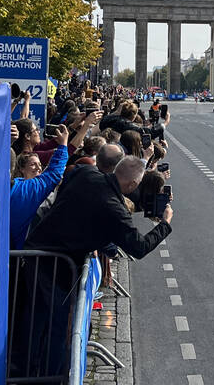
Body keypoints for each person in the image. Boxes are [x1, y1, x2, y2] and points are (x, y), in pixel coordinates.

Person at [23, 156, 173, 378]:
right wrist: (165, 224)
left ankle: (30, 370)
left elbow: (70, 190)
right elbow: (139, 247)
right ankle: (47, 378)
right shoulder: (113, 208)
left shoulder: (86, 173)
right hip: (56, 271)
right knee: (55, 333)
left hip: (35, 253)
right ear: (133, 185)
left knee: (32, 328)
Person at [10, 125, 69, 250]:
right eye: (33, 164)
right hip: (18, 254)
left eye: (40, 165)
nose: (38, 168)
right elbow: (54, 173)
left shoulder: (19, 185)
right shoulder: (25, 190)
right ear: (20, 168)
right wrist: (63, 145)